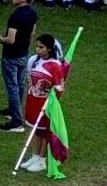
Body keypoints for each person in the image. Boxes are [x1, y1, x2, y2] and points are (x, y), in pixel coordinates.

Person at [16, 32, 69, 175]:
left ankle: (42, 160)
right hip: (33, 99)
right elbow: (29, 78)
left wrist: (51, 102)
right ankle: (35, 155)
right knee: (35, 129)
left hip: (46, 103)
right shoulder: (33, 60)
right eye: (37, 47)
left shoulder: (55, 66)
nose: (38, 50)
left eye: (42, 47)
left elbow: (59, 88)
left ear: (50, 49)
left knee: (45, 131)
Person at [0, 0, 40, 132]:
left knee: (12, 87)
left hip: (11, 56)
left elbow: (10, 39)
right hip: (23, 53)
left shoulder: (16, 16)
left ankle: (16, 121)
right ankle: (12, 110)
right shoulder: (33, 13)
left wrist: (0, 39)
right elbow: (31, 34)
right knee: (20, 85)